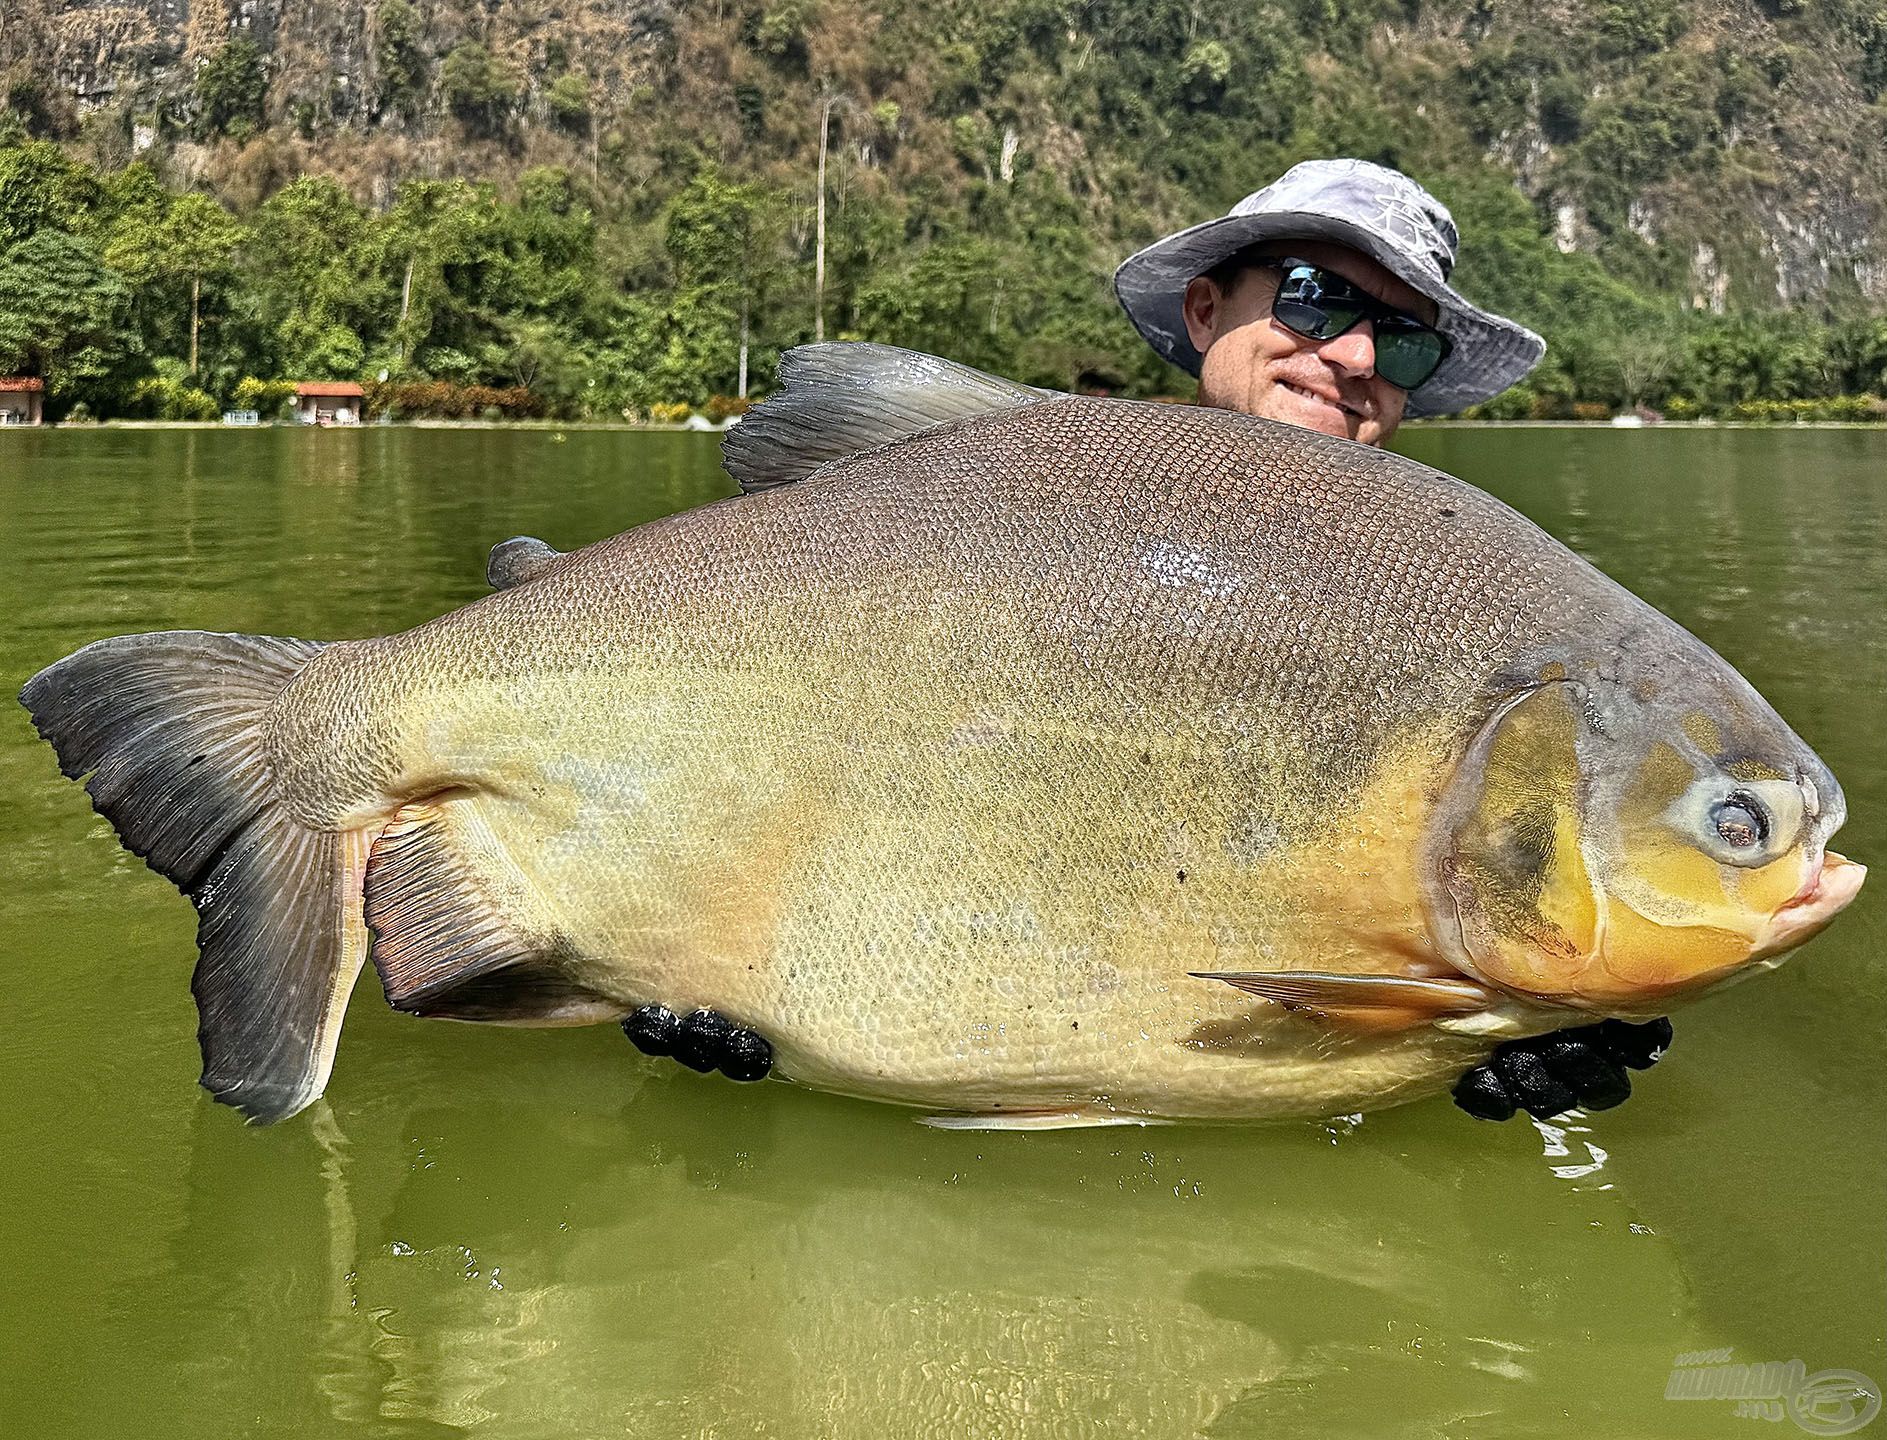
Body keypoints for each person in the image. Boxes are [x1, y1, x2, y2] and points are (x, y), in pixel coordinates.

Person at [1115, 158, 1672, 1122]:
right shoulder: (1016, 518)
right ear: (1205, 311)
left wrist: (1547, 1006)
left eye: (1404, 342)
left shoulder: (1472, 615)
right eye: (1315, 299)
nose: (1357, 360)